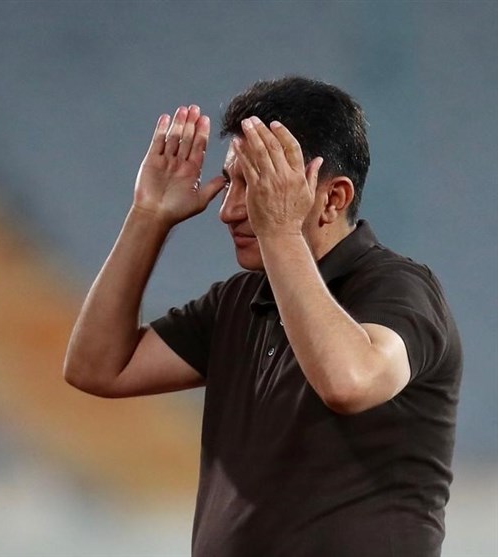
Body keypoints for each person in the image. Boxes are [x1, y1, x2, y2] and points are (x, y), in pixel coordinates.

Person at [63, 76, 462, 557]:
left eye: (257, 186)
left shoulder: (398, 288)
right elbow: (97, 367)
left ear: (333, 199)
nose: (228, 211)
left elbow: (350, 382)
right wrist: (148, 216)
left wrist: (280, 233)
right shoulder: (240, 300)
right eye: (230, 182)